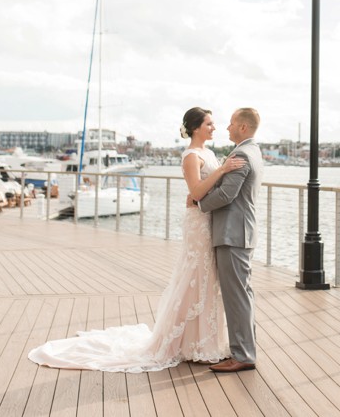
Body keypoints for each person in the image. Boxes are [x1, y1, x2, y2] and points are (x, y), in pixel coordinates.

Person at [27, 107, 244, 372]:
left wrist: (221, 174)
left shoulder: (209, 153)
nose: (214, 127)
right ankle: (187, 342)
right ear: (197, 127)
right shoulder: (191, 156)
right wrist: (222, 170)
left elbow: (208, 189)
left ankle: (204, 340)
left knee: (208, 279)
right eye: (209, 123)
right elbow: (197, 192)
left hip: (209, 219)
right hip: (199, 224)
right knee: (195, 276)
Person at [194, 107, 263, 373]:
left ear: (243, 128)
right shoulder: (253, 150)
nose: (227, 127)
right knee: (242, 295)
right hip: (241, 232)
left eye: (232, 123)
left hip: (233, 233)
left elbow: (226, 195)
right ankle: (244, 349)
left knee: (237, 296)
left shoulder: (242, 154)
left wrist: (198, 202)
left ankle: (243, 355)